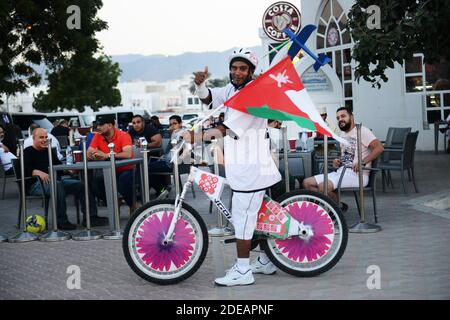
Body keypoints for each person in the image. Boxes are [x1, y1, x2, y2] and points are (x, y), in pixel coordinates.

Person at [194, 48, 281, 286]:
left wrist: (195, 137)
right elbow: (211, 97)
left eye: (243, 68)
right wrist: (201, 86)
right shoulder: (233, 89)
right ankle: (264, 260)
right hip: (242, 166)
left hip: (252, 168)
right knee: (256, 217)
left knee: (243, 218)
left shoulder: (253, 96)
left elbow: (225, 129)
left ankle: (243, 271)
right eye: (234, 68)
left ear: (251, 72)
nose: (237, 72)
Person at [303, 107, 384, 211]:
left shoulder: (362, 131)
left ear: (351, 116)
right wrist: (338, 161)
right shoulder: (343, 134)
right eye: (337, 118)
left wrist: (362, 162)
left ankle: (332, 211)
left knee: (324, 187)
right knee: (307, 183)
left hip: (358, 175)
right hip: (342, 171)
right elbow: (347, 155)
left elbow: (379, 148)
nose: (340, 119)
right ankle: (338, 206)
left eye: (343, 116)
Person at [23, 128, 105, 230]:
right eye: (41, 137)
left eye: (45, 137)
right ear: (34, 138)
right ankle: (61, 221)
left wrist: (68, 170)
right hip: (36, 184)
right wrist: (36, 172)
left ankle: (91, 217)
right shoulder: (27, 151)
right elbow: (24, 170)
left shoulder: (48, 150)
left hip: (55, 181)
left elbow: (58, 166)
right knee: (57, 185)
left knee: (80, 184)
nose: (44, 140)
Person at [86, 115, 138, 216]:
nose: (98, 128)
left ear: (110, 125)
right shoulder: (98, 136)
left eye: (101, 125)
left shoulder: (123, 135)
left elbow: (127, 154)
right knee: (95, 183)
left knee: (123, 180)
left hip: (125, 169)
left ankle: (132, 205)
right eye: (97, 125)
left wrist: (106, 155)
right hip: (108, 170)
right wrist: (96, 156)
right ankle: (115, 202)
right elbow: (88, 154)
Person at [147, 115, 191, 197]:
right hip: (168, 161)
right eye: (170, 124)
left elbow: (187, 148)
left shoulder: (183, 133)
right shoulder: (174, 133)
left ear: (180, 123)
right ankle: (162, 188)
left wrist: (179, 158)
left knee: (146, 168)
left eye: (175, 123)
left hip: (174, 163)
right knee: (151, 166)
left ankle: (162, 189)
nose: (172, 126)